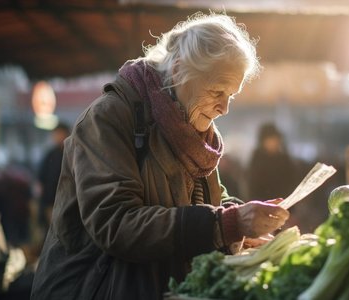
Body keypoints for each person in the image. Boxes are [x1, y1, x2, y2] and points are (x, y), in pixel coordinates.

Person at [31, 12, 289, 300]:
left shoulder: (193, 131)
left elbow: (205, 203)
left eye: (231, 95)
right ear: (178, 71)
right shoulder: (109, 117)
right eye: (217, 91)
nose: (224, 108)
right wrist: (226, 224)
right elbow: (116, 223)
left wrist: (242, 218)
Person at [247, 122, 298, 200]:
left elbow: (291, 182)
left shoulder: (284, 159)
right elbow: (252, 186)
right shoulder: (257, 159)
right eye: (270, 140)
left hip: (284, 203)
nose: (274, 143)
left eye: (275, 140)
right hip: (262, 205)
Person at [36, 123, 70, 234]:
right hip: (50, 203)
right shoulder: (50, 155)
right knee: (51, 233)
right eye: (56, 134)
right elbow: (40, 179)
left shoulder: (72, 153)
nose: (57, 137)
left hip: (67, 202)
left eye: (60, 134)